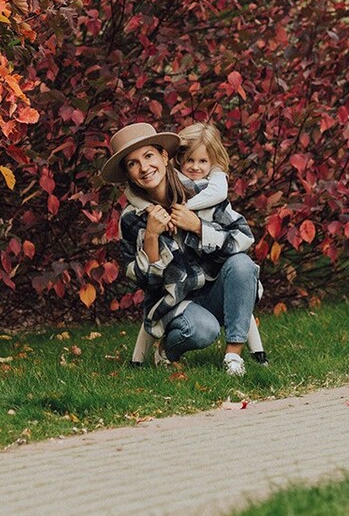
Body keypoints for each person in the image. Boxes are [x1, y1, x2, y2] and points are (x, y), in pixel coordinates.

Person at [100, 121, 261, 377]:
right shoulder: (132, 218)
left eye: (149, 156)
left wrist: (198, 227)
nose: (144, 168)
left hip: (214, 291)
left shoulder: (202, 192)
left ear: (164, 157)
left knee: (242, 263)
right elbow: (144, 282)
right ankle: (167, 349)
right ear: (128, 174)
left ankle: (233, 355)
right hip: (174, 302)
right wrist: (151, 236)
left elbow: (243, 237)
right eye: (133, 163)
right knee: (203, 330)